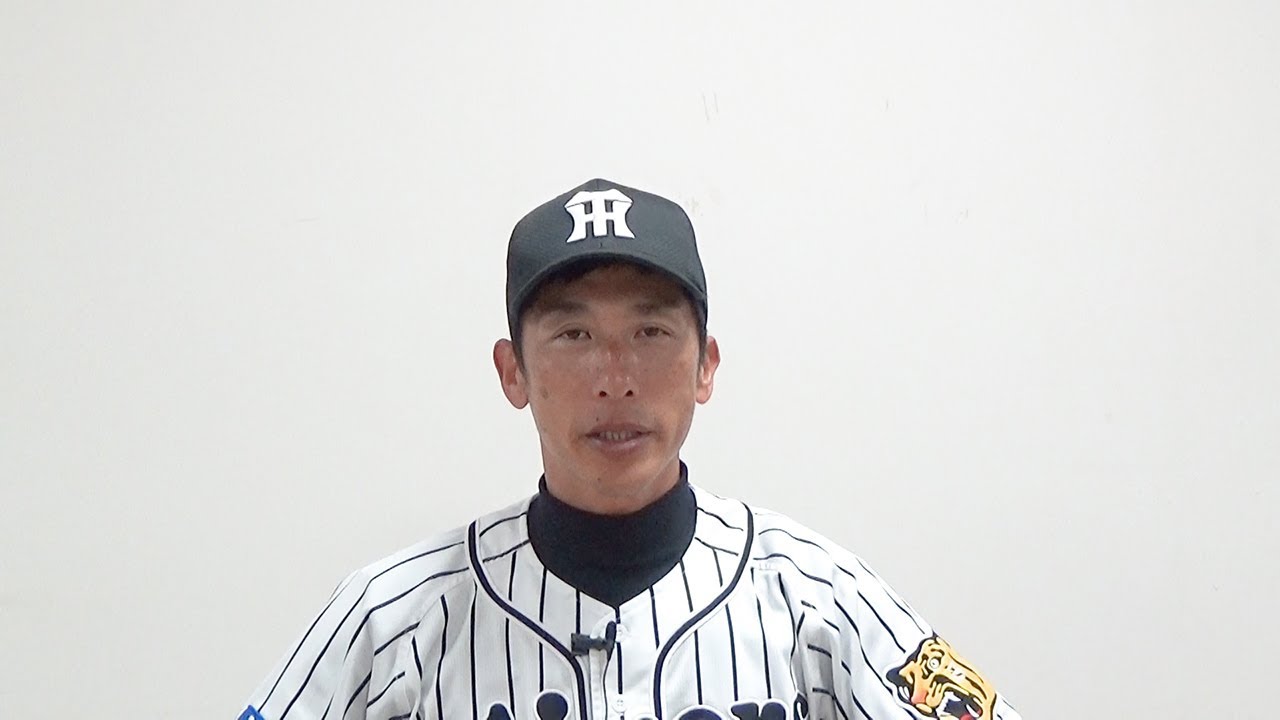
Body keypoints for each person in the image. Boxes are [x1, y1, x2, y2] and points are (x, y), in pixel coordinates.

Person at [239, 178, 1021, 720]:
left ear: (705, 365)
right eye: (574, 335)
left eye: (650, 332)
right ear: (513, 372)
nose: (615, 379)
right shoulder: (392, 618)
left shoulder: (815, 598)